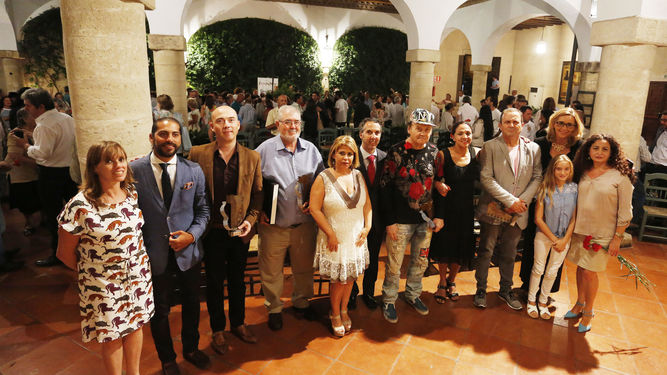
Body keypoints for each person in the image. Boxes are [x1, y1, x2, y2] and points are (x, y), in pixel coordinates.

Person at [56, 141, 154, 375]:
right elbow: (64, 253)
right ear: (95, 168)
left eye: (120, 159)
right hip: (103, 284)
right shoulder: (81, 204)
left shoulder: (131, 193)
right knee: (112, 335)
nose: (118, 165)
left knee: (135, 326)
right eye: (109, 161)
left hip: (137, 276)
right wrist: (92, 275)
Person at [131, 117, 211, 375]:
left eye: (175, 134)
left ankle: (191, 348)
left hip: (188, 252)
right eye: (163, 134)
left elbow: (203, 211)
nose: (170, 139)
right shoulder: (134, 170)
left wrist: (192, 235)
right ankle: (167, 358)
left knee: (191, 303)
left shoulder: (193, 170)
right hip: (153, 254)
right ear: (152, 137)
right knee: (160, 310)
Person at [188, 106, 263, 353]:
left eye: (231, 120)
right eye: (220, 121)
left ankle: (239, 324)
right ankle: (218, 329)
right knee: (214, 282)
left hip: (239, 232)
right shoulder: (197, 154)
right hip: (212, 232)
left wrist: (250, 222)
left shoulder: (252, 157)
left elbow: (257, 195)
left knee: (238, 281)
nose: (227, 125)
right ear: (212, 126)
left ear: (239, 125)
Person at [255, 105, 325, 331]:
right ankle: (274, 308)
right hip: (273, 226)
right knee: (271, 270)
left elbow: (321, 183)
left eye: (296, 122)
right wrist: (258, 210)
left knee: (304, 268)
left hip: (304, 225)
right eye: (287, 122)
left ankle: (301, 302)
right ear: (277, 125)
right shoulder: (263, 151)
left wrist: (316, 204)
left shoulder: (312, 150)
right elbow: (253, 185)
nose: (292, 126)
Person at [474, 108, 542, 310]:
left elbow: (538, 176)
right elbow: (486, 178)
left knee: (509, 253)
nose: (512, 125)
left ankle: (505, 289)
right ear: (500, 125)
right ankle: (480, 289)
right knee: (486, 250)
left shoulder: (533, 149)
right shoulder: (490, 146)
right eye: (508, 122)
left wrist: (521, 202)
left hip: (519, 211)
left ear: (522, 124)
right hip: (494, 208)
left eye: (516, 122)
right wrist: (510, 200)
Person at [380, 108, 443, 323]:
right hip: (399, 220)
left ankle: (413, 294)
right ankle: (389, 299)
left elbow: (438, 185)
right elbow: (385, 188)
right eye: (419, 128)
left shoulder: (435, 153)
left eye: (427, 130)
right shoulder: (395, 151)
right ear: (409, 128)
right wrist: (389, 221)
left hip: (425, 221)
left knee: (420, 262)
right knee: (395, 263)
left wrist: (439, 216)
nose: (423, 133)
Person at [565, 134, 634, 333]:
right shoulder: (582, 171)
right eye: (595, 148)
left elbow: (625, 211)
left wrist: (617, 238)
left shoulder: (621, 176)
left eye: (604, 149)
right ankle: (579, 303)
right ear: (588, 150)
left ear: (612, 152)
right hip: (580, 229)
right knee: (580, 267)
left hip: (603, 233)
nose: (599, 152)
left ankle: (589, 310)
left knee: (589, 271)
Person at [519, 107, 584, 296]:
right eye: (560, 123)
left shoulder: (579, 148)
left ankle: (547, 290)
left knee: (558, 244)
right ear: (553, 123)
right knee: (534, 243)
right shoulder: (540, 143)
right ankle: (528, 286)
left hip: (564, 204)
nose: (564, 127)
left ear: (575, 127)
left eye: (569, 125)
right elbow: (529, 171)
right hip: (539, 202)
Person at [311, 136, 371, 336]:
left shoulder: (358, 176)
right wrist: (330, 233)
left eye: (350, 153)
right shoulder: (324, 177)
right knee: (338, 281)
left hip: (356, 238)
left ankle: (344, 309)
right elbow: (314, 209)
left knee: (351, 278)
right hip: (335, 238)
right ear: (333, 154)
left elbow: (368, 205)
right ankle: (335, 313)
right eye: (342, 152)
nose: (346, 157)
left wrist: (367, 227)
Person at [11, 88, 77, 267]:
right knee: (73, 214)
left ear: (40, 106)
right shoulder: (66, 118)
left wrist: (25, 145)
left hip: (51, 175)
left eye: (28, 105)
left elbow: (43, 154)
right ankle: (77, 250)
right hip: (69, 172)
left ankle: (59, 255)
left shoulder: (44, 125)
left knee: (54, 216)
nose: (26, 109)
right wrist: (34, 137)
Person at [431, 121, 480, 303]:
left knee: (461, 247)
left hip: (467, 210)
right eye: (460, 133)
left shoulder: (476, 154)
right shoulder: (443, 155)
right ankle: (442, 281)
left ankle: (452, 281)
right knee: (445, 246)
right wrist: (437, 184)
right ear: (452, 136)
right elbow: (434, 179)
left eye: (468, 133)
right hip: (446, 208)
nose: (465, 137)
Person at [527, 155, 577, 319]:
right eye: (558, 169)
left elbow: (573, 218)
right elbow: (538, 219)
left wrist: (564, 240)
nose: (562, 172)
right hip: (544, 236)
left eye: (566, 169)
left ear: (570, 170)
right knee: (538, 269)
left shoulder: (574, 189)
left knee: (552, 272)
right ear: (553, 170)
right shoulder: (545, 188)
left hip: (564, 238)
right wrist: (554, 239)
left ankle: (543, 301)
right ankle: (531, 300)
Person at [349, 119, 386, 310]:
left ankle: (369, 293)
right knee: (353, 256)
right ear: (361, 134)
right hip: (353, 219)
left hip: (377, 218)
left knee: (372, 258)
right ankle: (351, 292)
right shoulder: (349, 157)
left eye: (377, 133)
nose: (374, 136)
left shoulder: (386, 159)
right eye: (369, 132)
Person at [5, 108, 40, 236]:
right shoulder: (16, 133)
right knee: (26, 202)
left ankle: (42, 221)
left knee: (39, 199)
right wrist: (38, 165)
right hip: (22, 174)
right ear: (25, 119)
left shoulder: (38, 130)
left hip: (36, 172)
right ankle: (28, 224)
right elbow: (15, 156)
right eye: (33, 115)